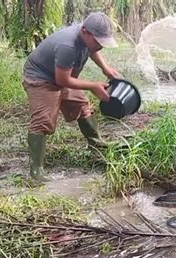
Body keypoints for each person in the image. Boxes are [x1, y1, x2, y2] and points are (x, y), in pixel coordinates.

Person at [22, 12, 119, 183]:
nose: (100, 46)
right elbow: (63, 80)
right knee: (43, 120)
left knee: (82, 105)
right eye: (98, 41)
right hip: (41, 77)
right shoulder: (68, 45)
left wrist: (106, 68)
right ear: (85, 31)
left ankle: (95, 143)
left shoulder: (87, 40)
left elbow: (92, 50)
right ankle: (36, 170)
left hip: (60, 75)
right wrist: (93, 86)